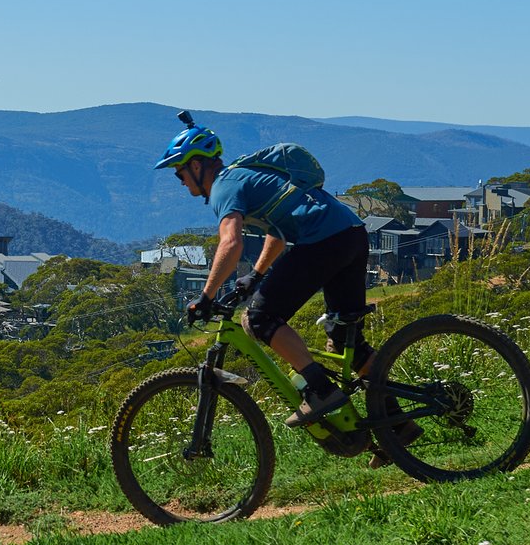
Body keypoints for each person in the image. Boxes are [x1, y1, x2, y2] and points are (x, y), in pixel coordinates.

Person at [156, 115, 419, 461]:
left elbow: (230, 243)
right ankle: (397, 427)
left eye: (179, 172)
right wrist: (257, 275)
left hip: (324, 241)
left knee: (261, 318)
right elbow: (277, 230)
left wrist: (206, 297)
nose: (179, 181)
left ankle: (320, 391)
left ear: (197, 165)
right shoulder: (244, 176)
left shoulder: (223, 186)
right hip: (352, 235)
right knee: (345, 341)